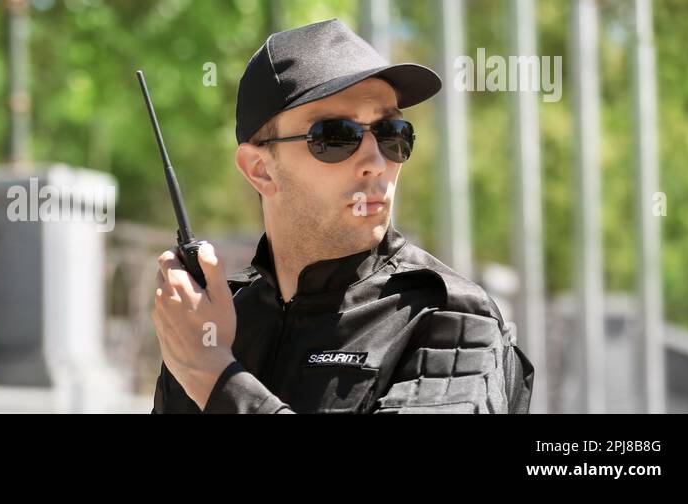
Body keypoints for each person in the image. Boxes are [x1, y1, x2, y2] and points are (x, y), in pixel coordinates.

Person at [151, 19, 533, 414]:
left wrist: (216, 380)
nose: (376, 162)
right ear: (260, 170)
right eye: (336, 137)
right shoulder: (214, 326)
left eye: (391, 133)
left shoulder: (448, 316)